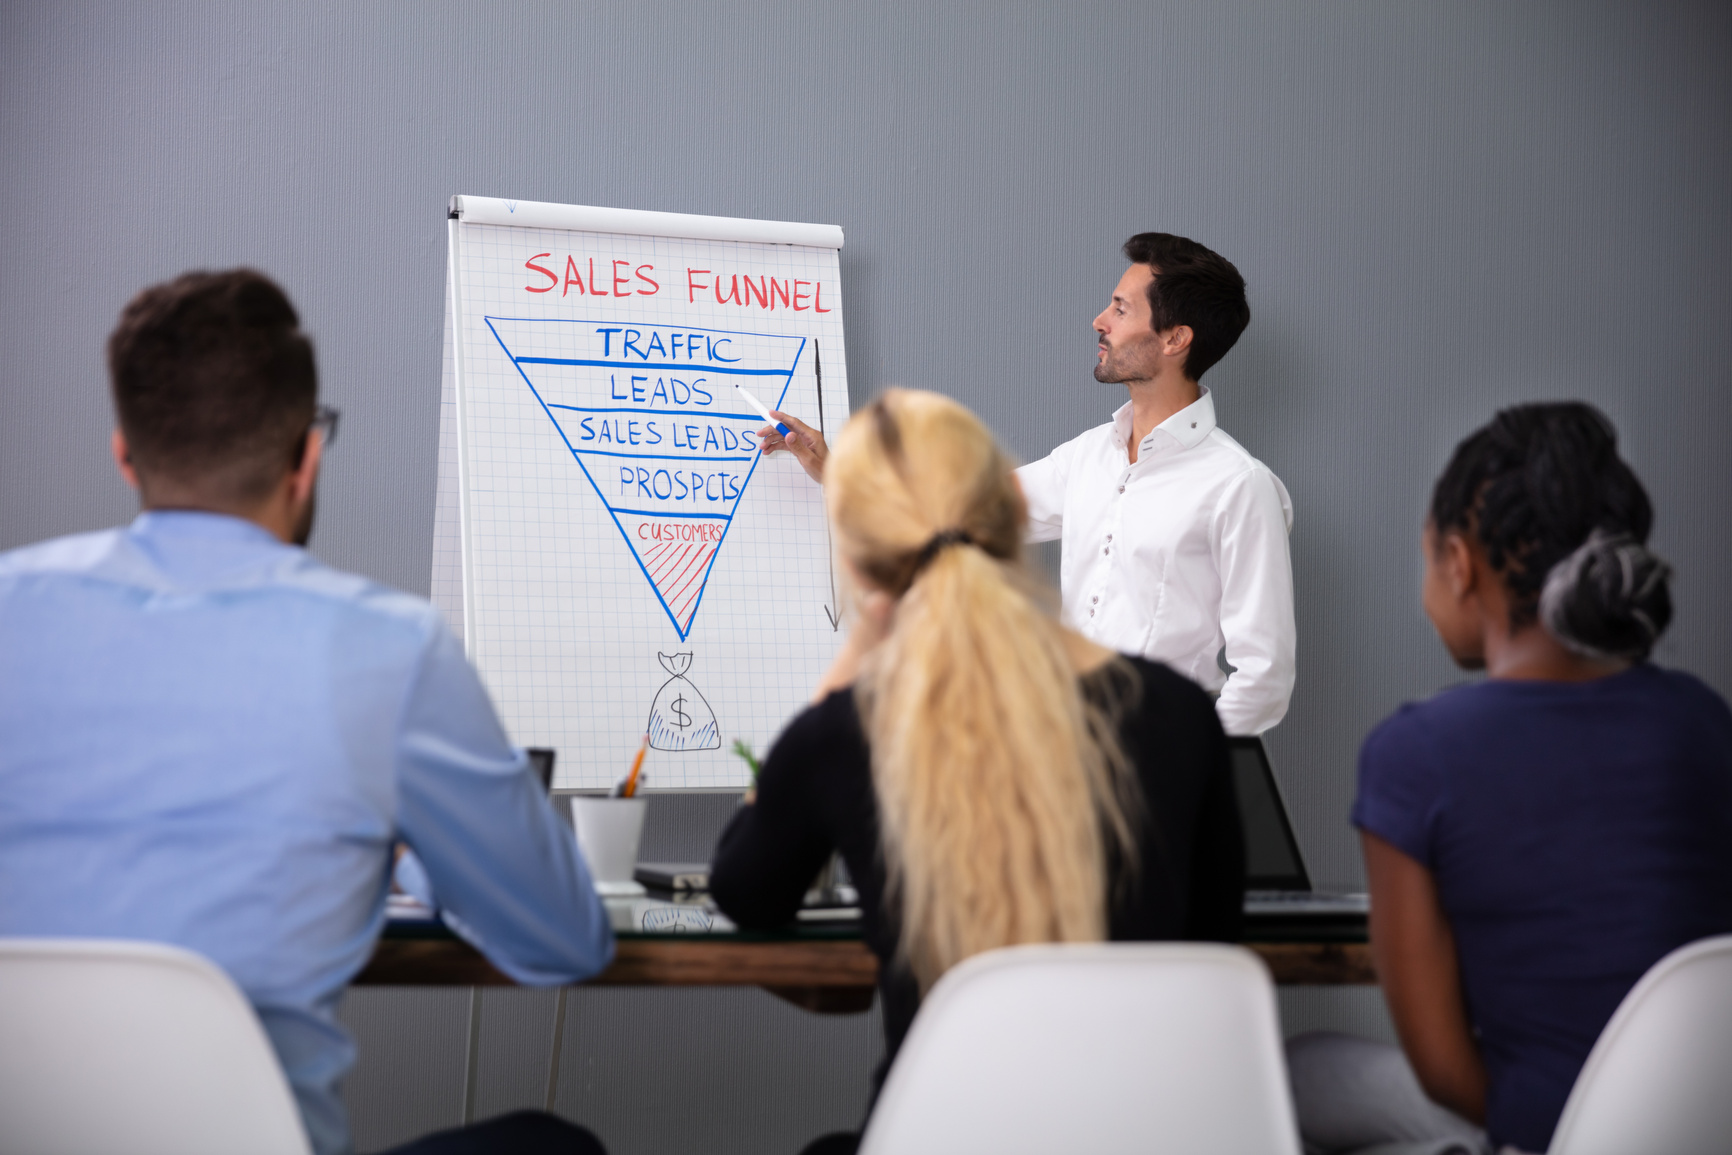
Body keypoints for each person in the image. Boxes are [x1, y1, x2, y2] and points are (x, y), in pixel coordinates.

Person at [0, 270, 615, 1155]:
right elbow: (565, 940)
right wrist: (415, 857)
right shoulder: (392, 650)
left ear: (125, 456)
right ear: (307, 457)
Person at [711, 388, 1244, 1153]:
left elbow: (744, 890)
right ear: (1008, 522)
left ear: (861, 560)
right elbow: (1210, 950)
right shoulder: (1177, 711)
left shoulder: (845, 732)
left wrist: (840, 678)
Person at [1288, 402, 1732, 1155]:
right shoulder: (1703, 719)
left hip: (1539, 1130)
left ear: (1459, 563)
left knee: (1295, 1073)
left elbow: (1443, 1068)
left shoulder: (1415, 754)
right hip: (1701, 1126)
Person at [758, 233, 1295, 736]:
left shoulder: (1239, 486)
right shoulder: (1088, 457)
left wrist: (1190, 767)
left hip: (1167, 769)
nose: (1099, 320)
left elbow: (1264, 675)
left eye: (1121, 308)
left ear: (1176, 339)